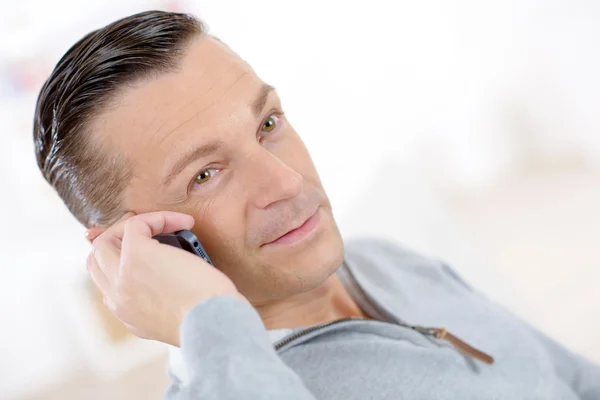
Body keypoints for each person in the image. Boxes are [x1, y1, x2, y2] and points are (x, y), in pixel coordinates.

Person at [33, 10, 599, 400]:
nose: (284, 181)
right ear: (132, 247)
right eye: (205, 174)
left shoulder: (382, 261)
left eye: (268, 124)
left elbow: (573, 378)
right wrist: (209, 323)